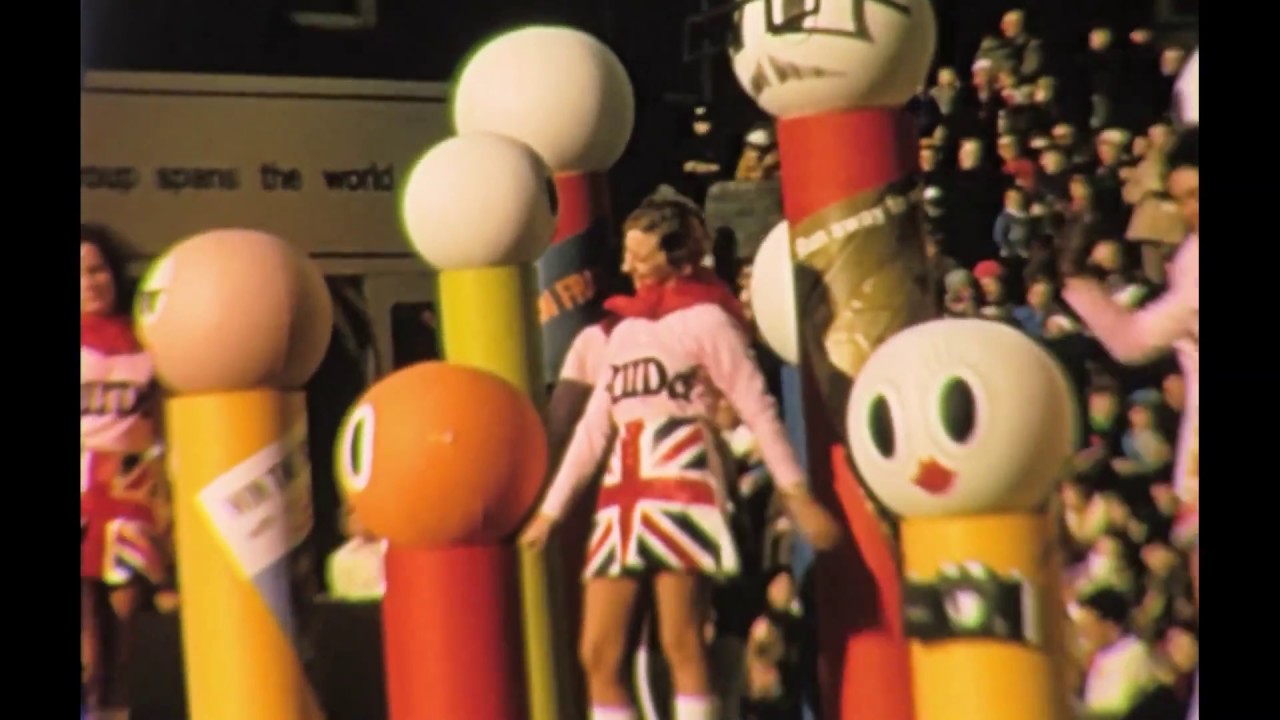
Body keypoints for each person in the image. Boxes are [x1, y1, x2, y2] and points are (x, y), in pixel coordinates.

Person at [520, 198, 840, 720]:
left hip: (681, 479)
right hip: (621, 491)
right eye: (625, 255)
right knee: (597, 652)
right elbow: (593, 428)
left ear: (679, 256)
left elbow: (757, 410)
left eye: (640, 256)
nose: (628, 268)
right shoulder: (621, 331)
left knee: (682, 641)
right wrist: (551, 512)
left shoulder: (710, 322)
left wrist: (797, 495)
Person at [1061, 128, 1198, 720]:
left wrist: (1076, 279)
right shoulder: (1190, 259)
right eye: (1183, 198)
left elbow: (1133, 339)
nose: (1192, 209)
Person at [81, 224, 164, 720]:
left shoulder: (148, 340)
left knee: (123, 632)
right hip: (81, 491)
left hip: (130, 494)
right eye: (80, 274)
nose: (91, 282)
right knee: (87, 640)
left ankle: (113, 712)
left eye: (98, 270)